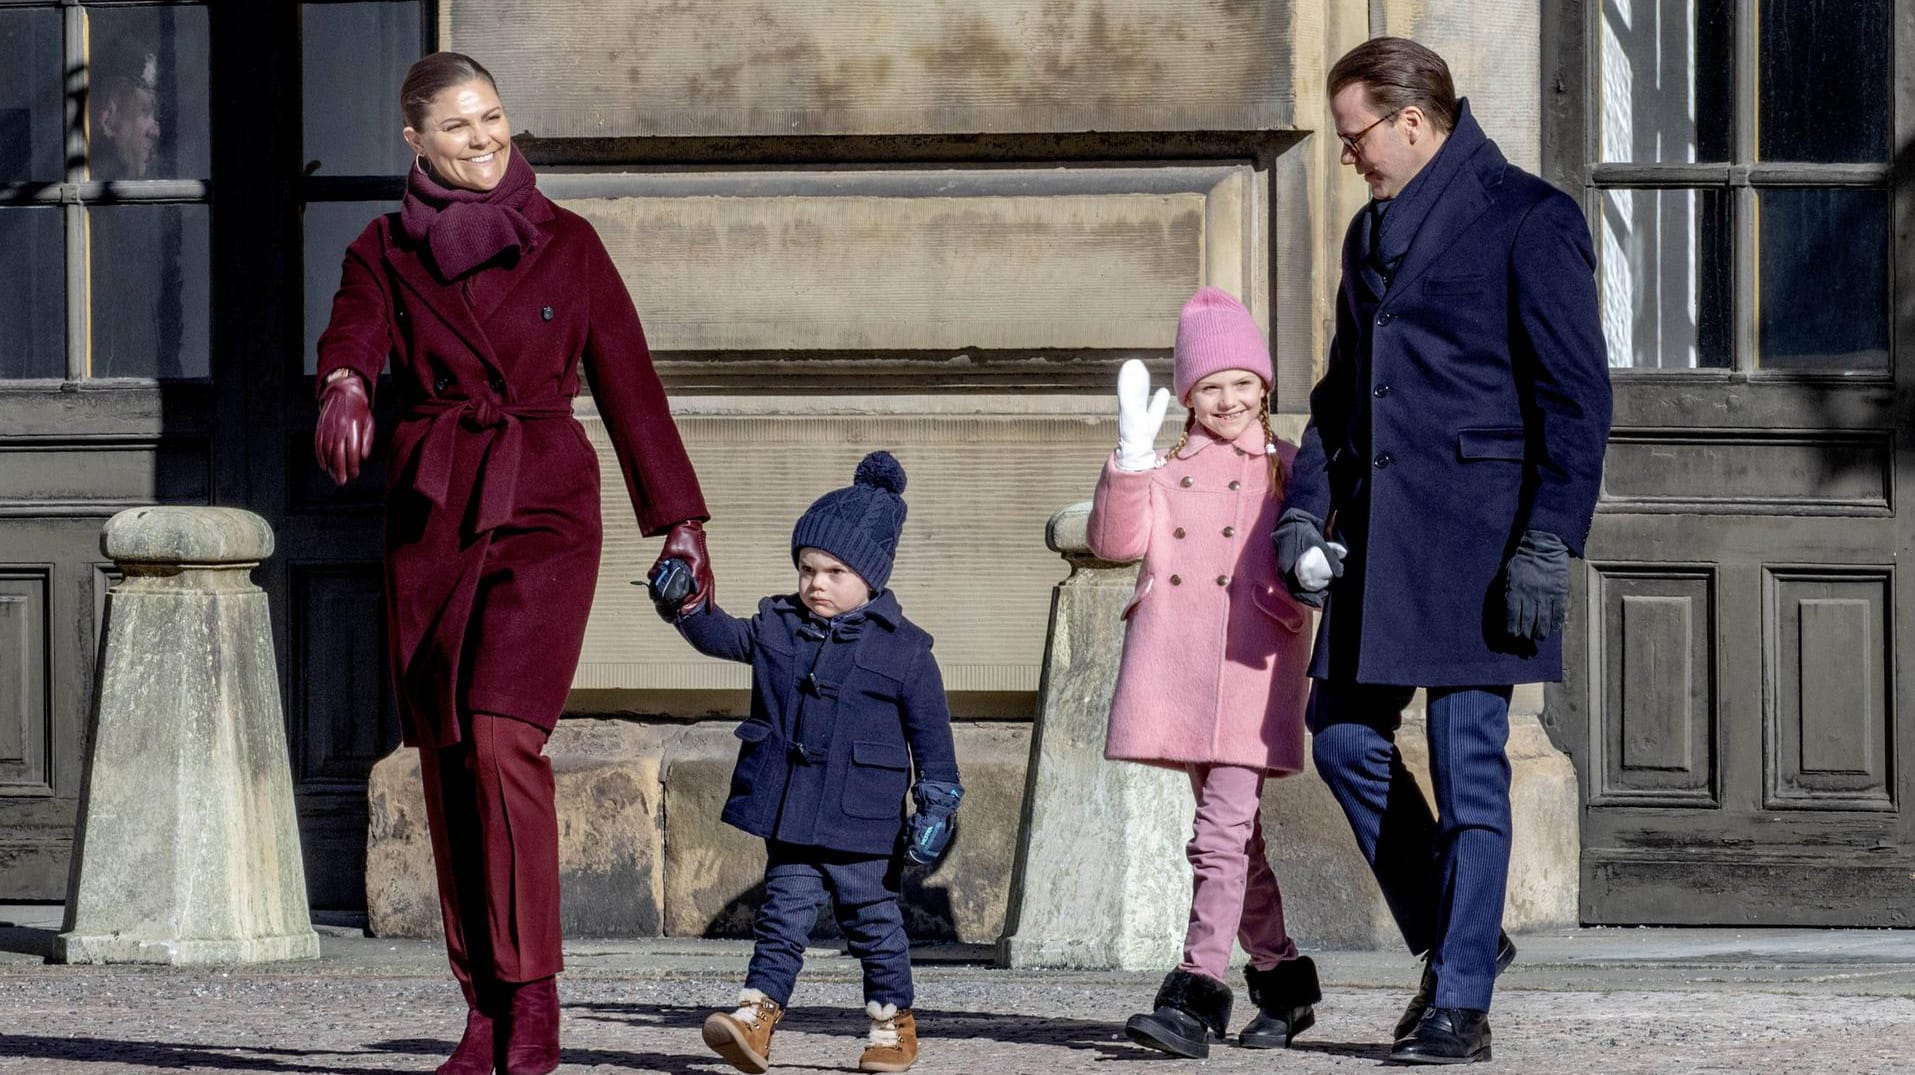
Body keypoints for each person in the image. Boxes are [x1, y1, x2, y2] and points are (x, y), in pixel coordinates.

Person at [311, 52, 712, 1075]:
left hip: (541, 507)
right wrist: (346, 383)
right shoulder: (384, 248)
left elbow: (630, 383)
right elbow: (353, 327)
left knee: (500, 742)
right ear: (414, 143)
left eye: (493, 117)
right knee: (447, 763)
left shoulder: (567, 243)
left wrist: (680, 521)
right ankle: (481, 1004)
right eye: (458, 128)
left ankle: (533, 999)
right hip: (437, 514)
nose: (485, 139)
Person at [1275, 37, 1612, 1065]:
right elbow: (1341, 398)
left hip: (1485, 547)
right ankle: (1464, 934)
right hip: (1380, 546)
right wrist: (1303, 511)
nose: (1350, 158)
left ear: (1410, 121)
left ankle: (1460, 1001)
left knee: (1472, 773)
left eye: (1354, 138)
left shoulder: (1530, 219)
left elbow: (1577, 400)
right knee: (1337, 737)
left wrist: (1547, 544)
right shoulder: (1368, 233)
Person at [667, 451, 961, 1075]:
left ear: (872, 578)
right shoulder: (778, 626)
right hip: (793, 811)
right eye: (807, 568)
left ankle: (891, 1027)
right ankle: (755, 1021)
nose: (816, 583)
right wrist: (686, 605)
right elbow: (722, 635)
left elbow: (933, 743)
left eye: (834, 570)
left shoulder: (908, 653)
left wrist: (937, 804)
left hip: (864, 822)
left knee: (874, 926)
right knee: (782, 916)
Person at [1085, 288, 1320, 1060]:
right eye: (1208, 384)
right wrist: (1127, 454)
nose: (1226, 399)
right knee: (1236, 841)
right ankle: (1283, 985)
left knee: (1216, 839)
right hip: (1178, 666)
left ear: (1265, 385)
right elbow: (1115, 544)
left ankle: (1193, 995)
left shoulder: (1286, 467)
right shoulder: (1163, 465)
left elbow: (1319, 547)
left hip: (1251, 670)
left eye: (1241, 381)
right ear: (1184, 392)